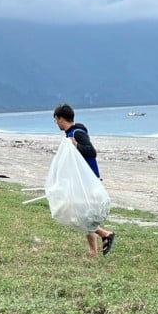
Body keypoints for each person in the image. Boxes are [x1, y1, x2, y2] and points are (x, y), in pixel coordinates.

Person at [53, 104, 115, 257]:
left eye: (56, 120)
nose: (56, 123)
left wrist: (77, 145)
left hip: (89, 181)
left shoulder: (77, 133)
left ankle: (106, 234)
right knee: (85, 214)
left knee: (82, 214)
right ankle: (93, 251)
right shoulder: (70, 133)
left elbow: (91, 152)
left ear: (61, 119)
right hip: (83, 181)